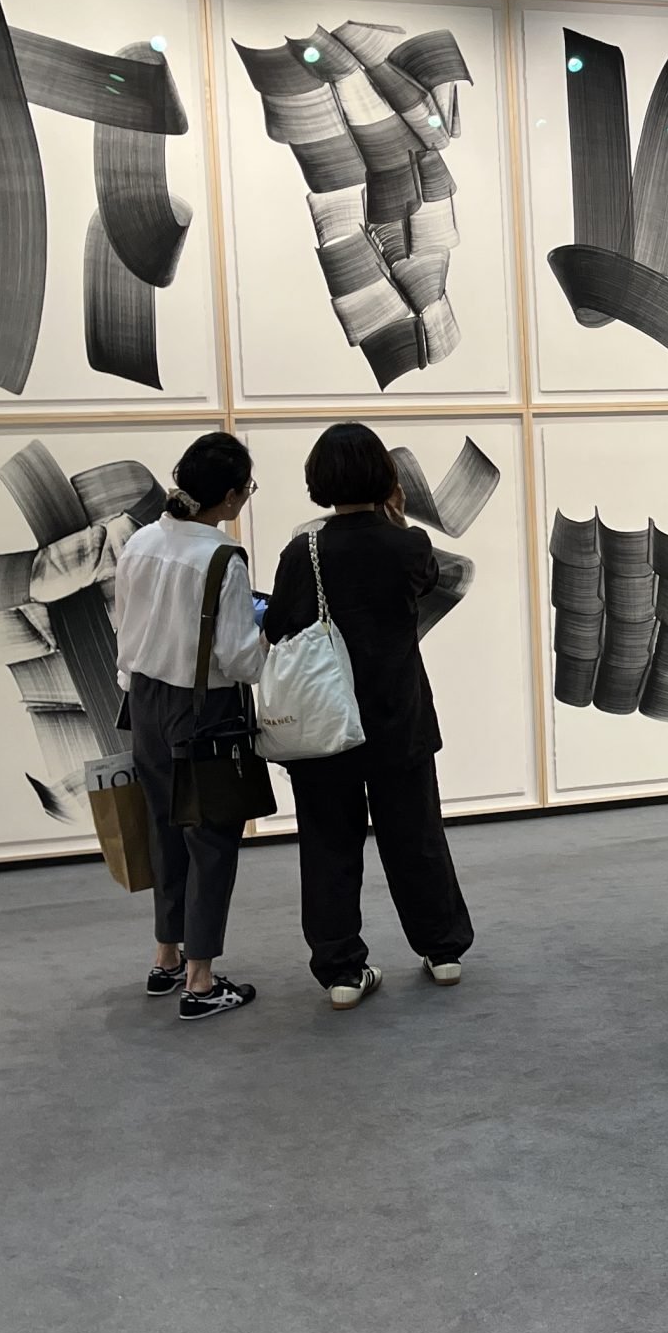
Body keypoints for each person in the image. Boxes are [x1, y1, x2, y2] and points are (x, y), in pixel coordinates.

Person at [262, 423, 475, 1009]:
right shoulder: (406, 546)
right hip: (397, 715)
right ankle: (443, 951)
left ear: (319, 480)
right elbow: (424, 584)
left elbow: (278, 628)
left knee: (329, 843)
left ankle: (341, 971)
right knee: (416, 835)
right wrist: (397, 518)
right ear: (387, 477)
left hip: (322, 721)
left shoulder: (302, 551)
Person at [113, 432, 266, 1021]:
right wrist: (266, 635)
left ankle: (166, 956)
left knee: (164, 830)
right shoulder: (223, 558)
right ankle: (201, 983)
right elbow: (241, 660)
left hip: (144, 700)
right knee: (213, 840)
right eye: (246, 489)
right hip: (205, 710)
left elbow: (123, 625)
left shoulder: (142, 541)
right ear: (229, 497)